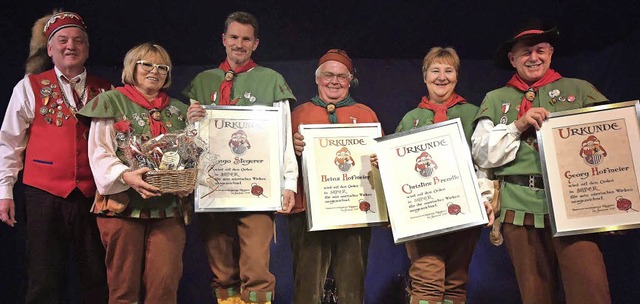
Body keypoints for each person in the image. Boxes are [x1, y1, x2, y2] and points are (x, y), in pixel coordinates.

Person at [471, 21, 611, 304]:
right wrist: (517, 125)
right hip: (519, 205)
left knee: (590, 291)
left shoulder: (580, 91)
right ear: (512, 59)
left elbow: (614, 141)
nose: (533, 57)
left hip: (576, 203)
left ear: (550, 52)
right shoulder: (496, 99)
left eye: (540, 50)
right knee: (535, 296)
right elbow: (482, 155)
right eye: (525, 52)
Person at [183, 11, 297, 304]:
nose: (239, 44)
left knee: (257, 268)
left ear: (255, 44)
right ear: (224, 40)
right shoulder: (203, 81)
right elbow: (188, 141)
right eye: (234, 37)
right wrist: (190, 122)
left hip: (257, 188)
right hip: (213, 187)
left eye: (246, 39)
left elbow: (284, 136)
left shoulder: (271, 80)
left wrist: (289, 183)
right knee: (222, 270)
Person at [0, 11, 110, 303]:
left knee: (97, 277)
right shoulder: (29, 86)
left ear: (87, 47)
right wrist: (4, 192)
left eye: (77, 40)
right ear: (50, 49)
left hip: (93, 195)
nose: (70, 46)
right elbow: (9, 142)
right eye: (62, 40)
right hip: (44, 194)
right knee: (44, 278)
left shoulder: (106, 90)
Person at [76, 42, 190, 303]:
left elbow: (191, 154)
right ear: (132, 67)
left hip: (168, 208)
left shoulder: (179, 110)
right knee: (123, 289)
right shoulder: (111, 101)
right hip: (122, 207)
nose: (155, 71)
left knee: (164, 286)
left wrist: (188, 181)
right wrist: (126, 175)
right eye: (147, 64)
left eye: (162, 67)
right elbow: (100, 152)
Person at [391, 47, 494, 304]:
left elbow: (485, 163)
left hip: (464, 210)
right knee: (426, 280)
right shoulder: (411, 118)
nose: (441, 76)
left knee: (456, 282)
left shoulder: (474, 114)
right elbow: (398, 168)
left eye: (449, 70)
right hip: (422, 214)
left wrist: (485, 197)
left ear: (457, 76)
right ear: (424, 76)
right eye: (435, 70)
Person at [289, 49, 379, 304]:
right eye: (328, 75)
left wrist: (378, 160)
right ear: (317, 78)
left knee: (351, 286)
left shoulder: (366, 115)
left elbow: (380, 168)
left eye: (342, 76)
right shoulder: (298, 115)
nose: (334, 81)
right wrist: (291, 150)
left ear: (350, 80)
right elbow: (280, 166)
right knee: (307, 286)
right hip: (307, 212)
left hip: (354, 213)